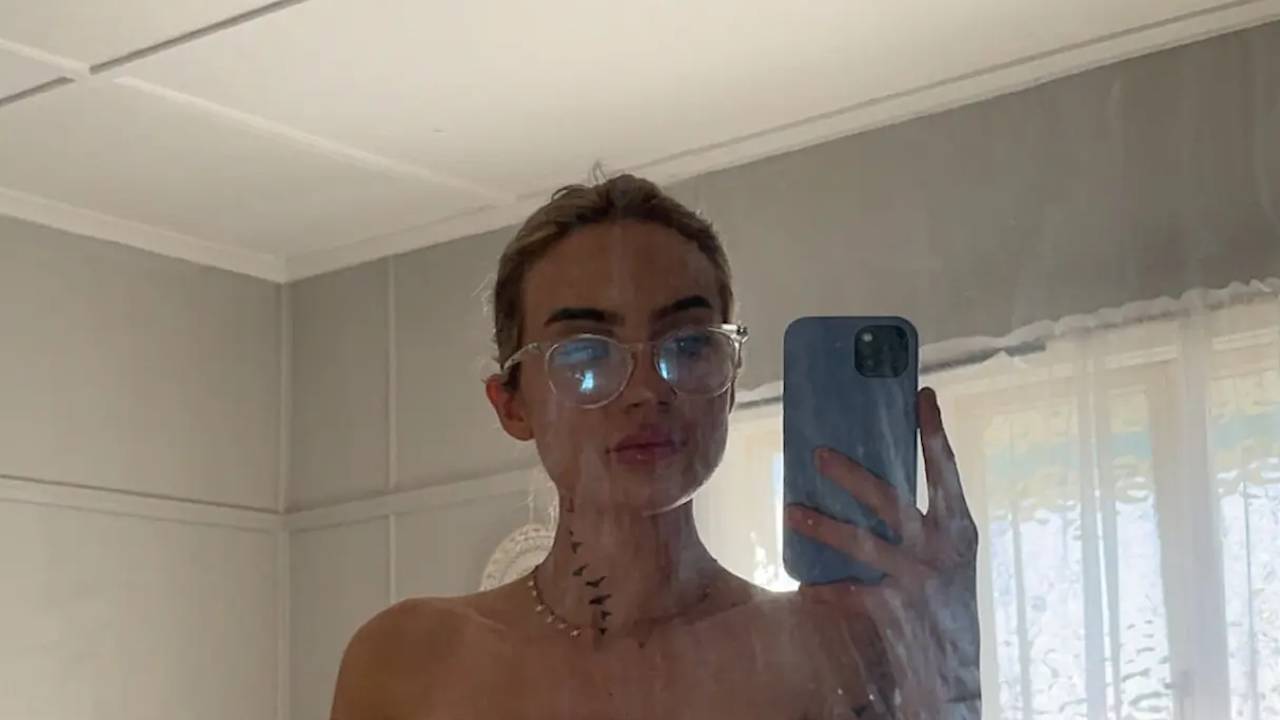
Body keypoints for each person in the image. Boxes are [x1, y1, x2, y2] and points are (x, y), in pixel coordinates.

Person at [330, 175, 980, 719]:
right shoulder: (409, 662)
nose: (646, 390)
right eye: (585, 353)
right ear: (512, 404)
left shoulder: (824, 653)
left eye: (689, 343)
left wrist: (950, 665)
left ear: (729, 383)